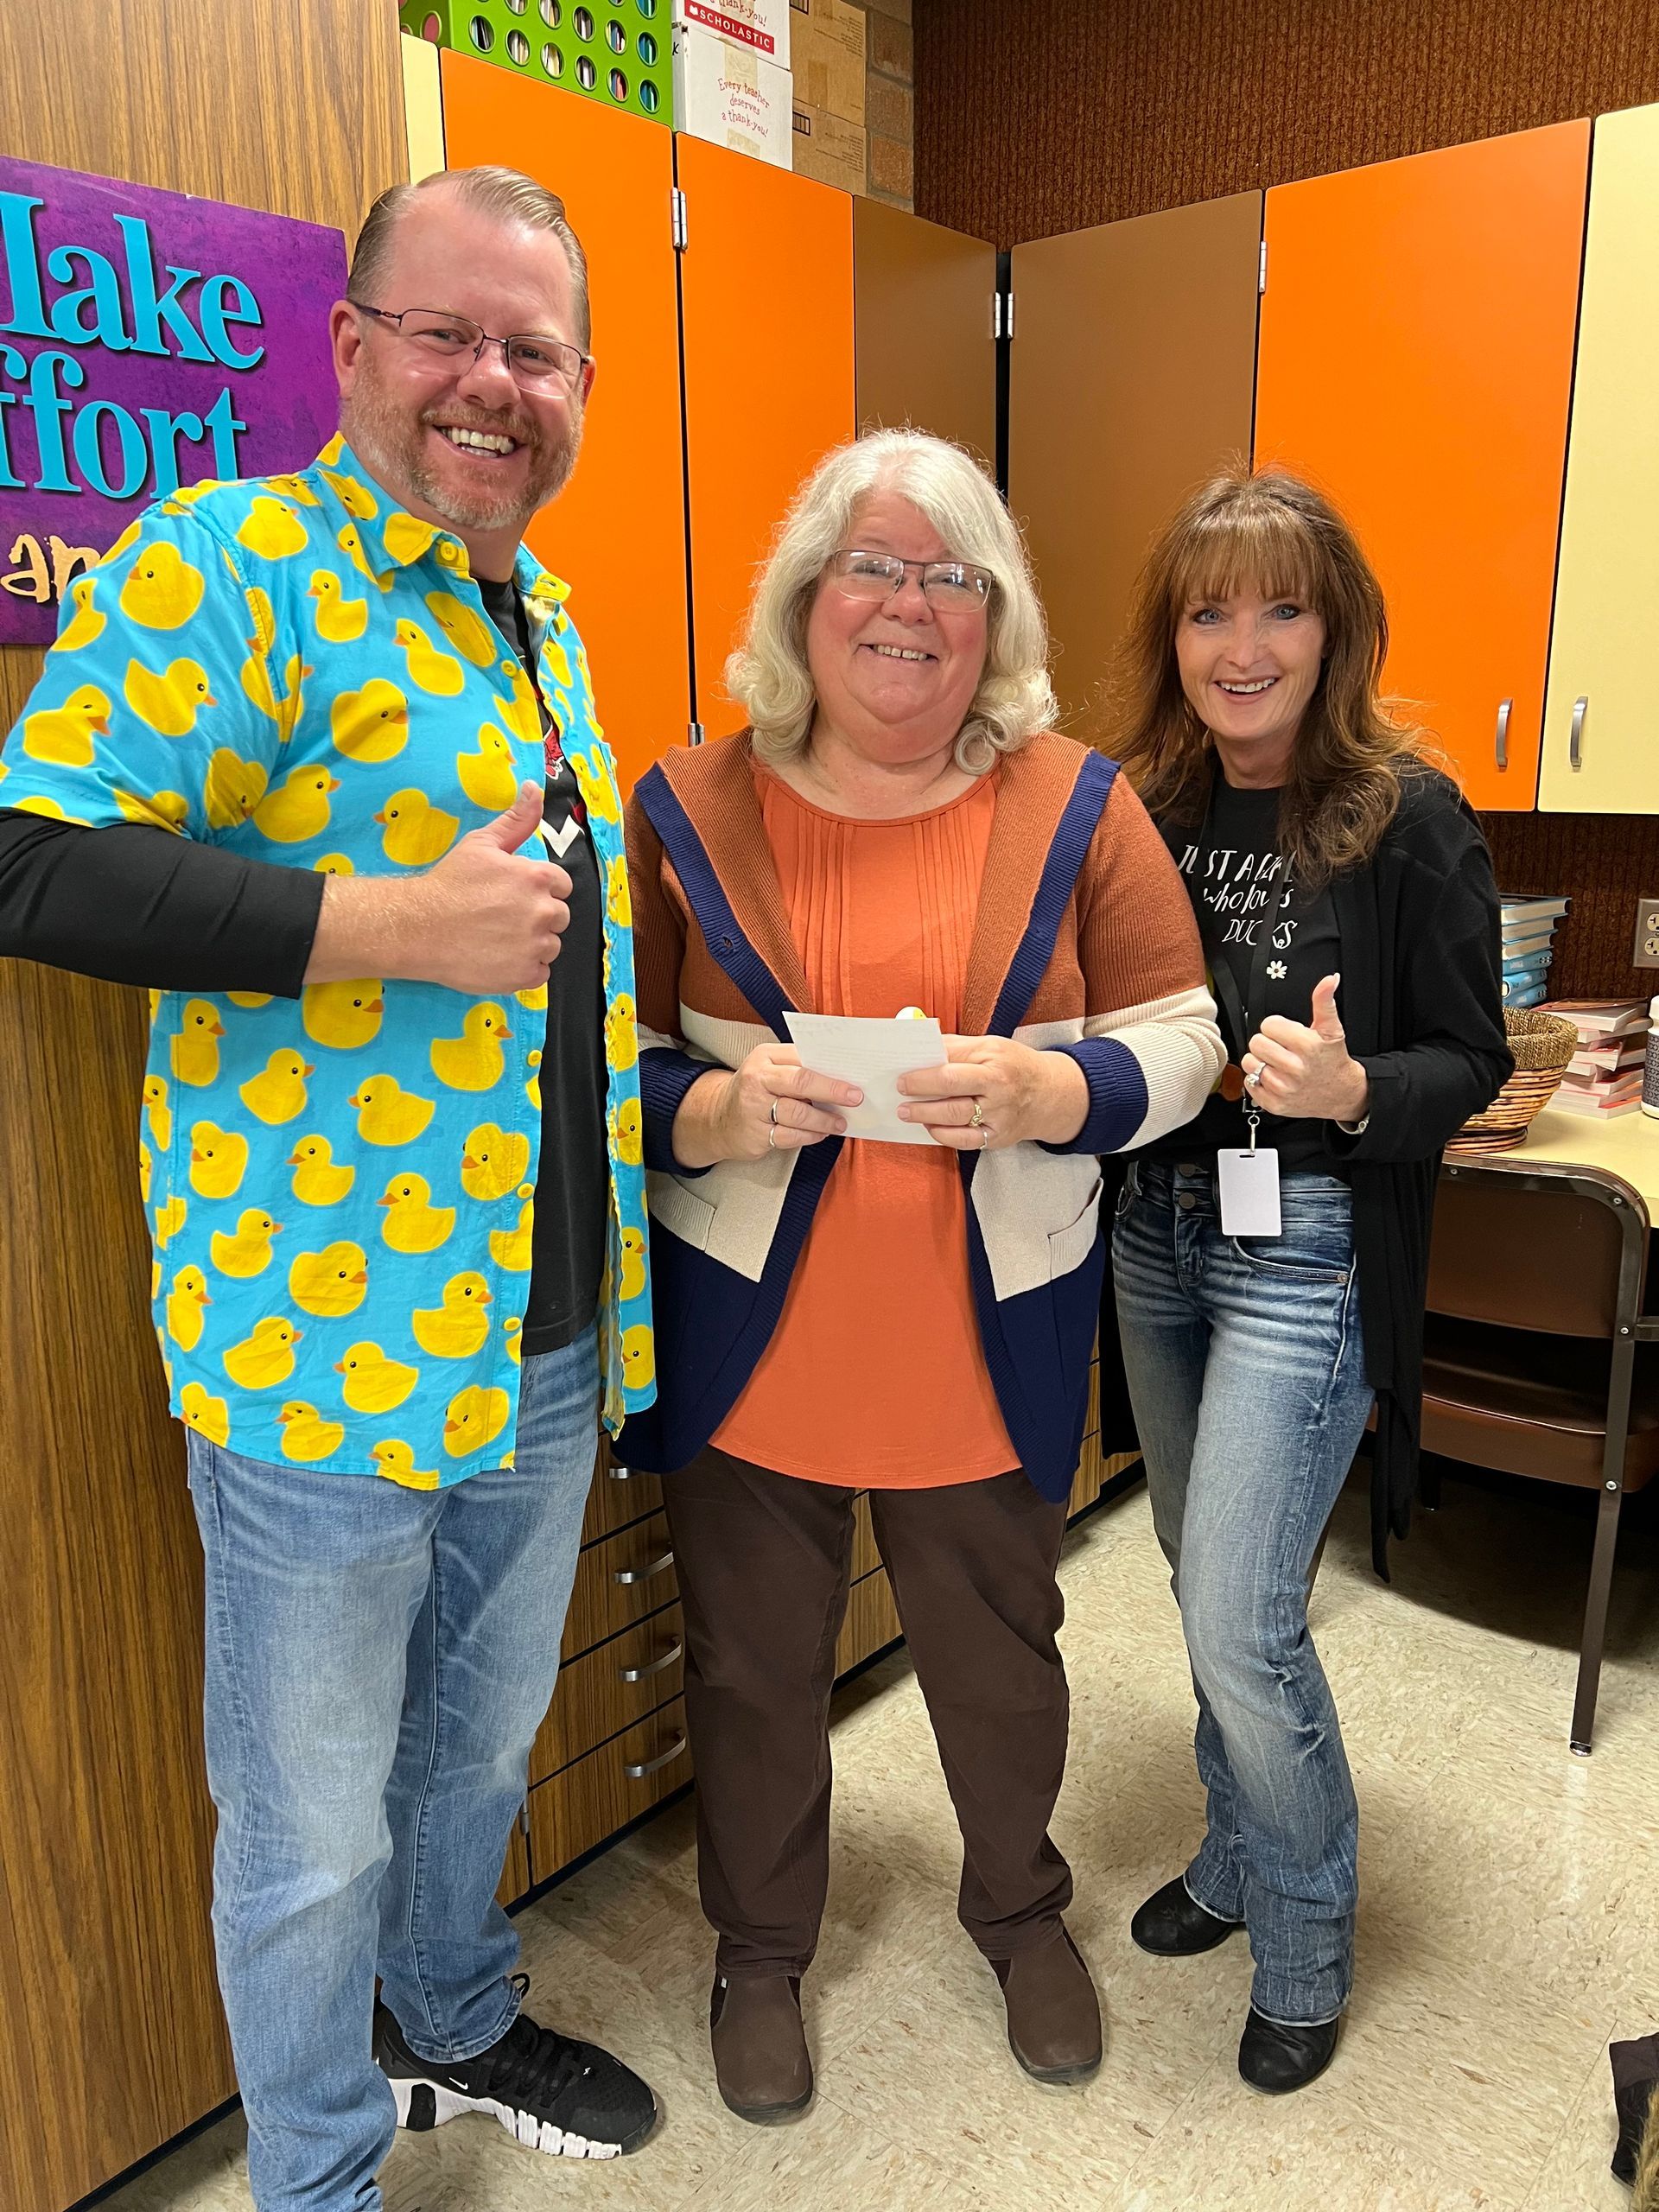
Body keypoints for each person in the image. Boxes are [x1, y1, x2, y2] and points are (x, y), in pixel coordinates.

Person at [0, 168, 659, 2209]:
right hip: (324, 1356)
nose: (491, 384)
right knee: (303, 1828)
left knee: (470, 1753)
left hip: (545, 1326)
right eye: (449, 335)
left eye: (533, 351)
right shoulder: (234, 556)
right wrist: (379, 921)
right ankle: (314, 2172)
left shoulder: (540, 614)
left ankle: (452, 2012)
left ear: (574, 390)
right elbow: (32, 854)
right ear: (353, 344)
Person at [616, 429, 1225, 2124]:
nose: (907, 602)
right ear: (806, 601)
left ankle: (1021, 1909)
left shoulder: (1076, 802)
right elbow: (606, 1061)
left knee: (1001, 1657)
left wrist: (1061, 1089)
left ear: (995, 616)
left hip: (986, 1329)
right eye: (872, 568)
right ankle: (759, 1946)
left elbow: (1186, 1039)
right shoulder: (686, 802)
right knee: (752, 1666)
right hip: (756, 1336)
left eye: (949, 575)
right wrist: (717, 1103)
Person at [1104, 467, 1509, 2094]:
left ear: (1332, 626)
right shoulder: (1138, 804)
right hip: (1158, 1235)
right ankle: (1231, 1843)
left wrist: (1356, 1096)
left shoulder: (1406, 815)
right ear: (1175, 636)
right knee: (1198, 1579)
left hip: (1308, 1248)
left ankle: (1306, 1929)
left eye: (1280, 604)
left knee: (1243, 1614)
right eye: (1210, 608)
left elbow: (1470, 1058)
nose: (1243, 642)